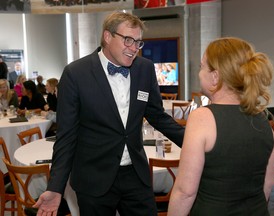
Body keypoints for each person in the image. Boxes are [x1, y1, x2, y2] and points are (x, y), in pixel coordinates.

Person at [34, 11, 184, 216]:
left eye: (138, 42)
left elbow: (157, 116)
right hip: (93, 179)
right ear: (107, 36)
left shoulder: (145, 69)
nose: (134, 48)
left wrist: (194, 143)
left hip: (135, 175)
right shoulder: (76, 74)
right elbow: (66, 136)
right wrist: (55, 186)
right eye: (128, 40)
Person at [167, 37, 274, 216]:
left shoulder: (202, 118)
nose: (199, 72)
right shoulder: (264, 120)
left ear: (215, 76)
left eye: (202, 66)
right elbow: (267, 183)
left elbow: (185, 192)